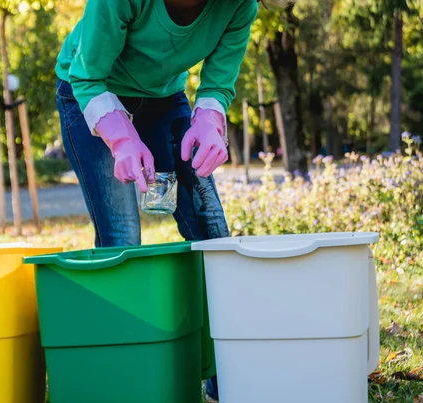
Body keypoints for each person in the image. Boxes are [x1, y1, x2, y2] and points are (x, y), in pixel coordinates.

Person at [55, 0, 293, 400]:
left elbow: (217, 83)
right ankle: (129, 376)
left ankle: (226, 376)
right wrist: (121, 138)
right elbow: (88, 77)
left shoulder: (239, 7)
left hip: (165, 99)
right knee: (121, 236)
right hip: (91, 91)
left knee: (210, 229)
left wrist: (208, 120)